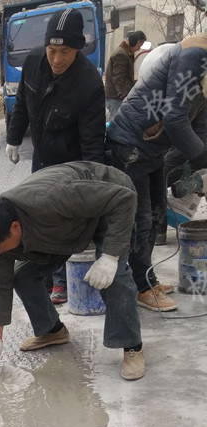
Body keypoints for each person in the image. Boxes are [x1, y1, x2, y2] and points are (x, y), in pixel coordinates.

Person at [0, 161, 145, 381]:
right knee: (22, 275)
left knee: (113, 275)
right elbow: (1, 285)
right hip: (67, 226)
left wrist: (110, 256)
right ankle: (53, 331)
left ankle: (132, 347)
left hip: (108, 202)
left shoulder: (51, 198)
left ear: (14, 227)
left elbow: (124, 198)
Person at [6, 8, 106, 305]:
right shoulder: (34, 62)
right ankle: (46, 277)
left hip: (72, 164)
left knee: (64, 220)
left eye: (65, 51)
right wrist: (13, 138)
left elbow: (92, 142)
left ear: (78, 48)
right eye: (52, 50)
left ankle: (61, 282)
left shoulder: (88, 84)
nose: (57, 59)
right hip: (42, 157)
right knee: (37, 216)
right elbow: (22, 102)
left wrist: (93, 185)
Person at [106, 33, 207, 312]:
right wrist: (200, 155)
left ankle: (147, 279)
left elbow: (201, 124)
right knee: (141, 220)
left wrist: (203, 162)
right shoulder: (195, 55)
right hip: (131, 144)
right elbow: (175, 118)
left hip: (152, 149)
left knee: (156, 215)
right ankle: (141, 286)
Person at [104, 31, 147, 121]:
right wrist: (123, 96)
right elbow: (118, 78)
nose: (138, 49)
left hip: (116, 97)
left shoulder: (126, 53)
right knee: (117, 123)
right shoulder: (121, 54)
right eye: (139, 46)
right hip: (115, 98)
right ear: (137, 42)